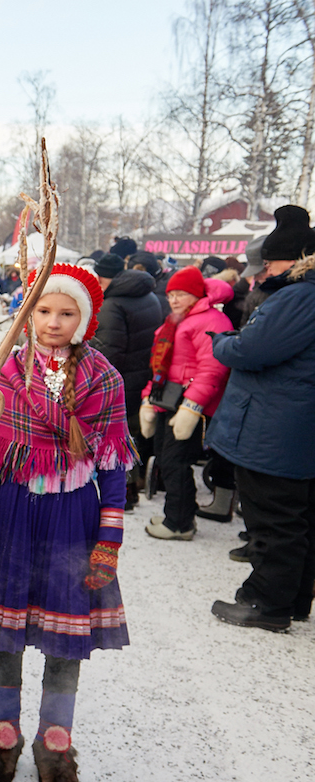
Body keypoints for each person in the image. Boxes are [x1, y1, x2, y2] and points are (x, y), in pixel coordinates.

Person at [0, 264, 136, 782]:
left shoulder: (105, 379)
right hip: (8, 517)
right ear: (27, 314)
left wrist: (108, 538)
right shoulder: (1, 370)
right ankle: (1, 737)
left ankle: (55, 746)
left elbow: (115, 467)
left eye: (66, 312)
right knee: (5, 635)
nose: (53, 322)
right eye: (44, 310)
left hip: (72, 519)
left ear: (85, 318)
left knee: (63, 640)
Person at [207, 206, 315, 632]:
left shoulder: (298, 296)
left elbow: (252, 350)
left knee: (273, 518)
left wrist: (223, 341)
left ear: (298, 257)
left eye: (272, 260)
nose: (265, 268)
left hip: (275, 429)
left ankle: (265, 603)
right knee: (298, 516)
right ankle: (292, 599)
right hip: (294, 427)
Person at [140, 266, 232, 540]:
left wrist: (192, 407)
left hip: (190, 403)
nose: (174, 299)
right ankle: (178, 514)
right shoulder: (177, 320)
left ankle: (179, 523)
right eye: (171, 294)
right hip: (169, 399)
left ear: (196, 294)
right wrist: (149, 398)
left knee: (175, 460)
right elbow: (162, 366)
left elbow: (212, 369)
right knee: (167, 458)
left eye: (181, 294)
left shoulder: (211, 320)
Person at [90, 252, 165, 510]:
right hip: (144, 375)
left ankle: (127, 493)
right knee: (134, 435)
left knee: (120, 438)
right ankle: (138, 484)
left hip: (121, 381)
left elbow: (109, 352)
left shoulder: (113, 305)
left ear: (102, 278)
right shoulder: (148, 294)